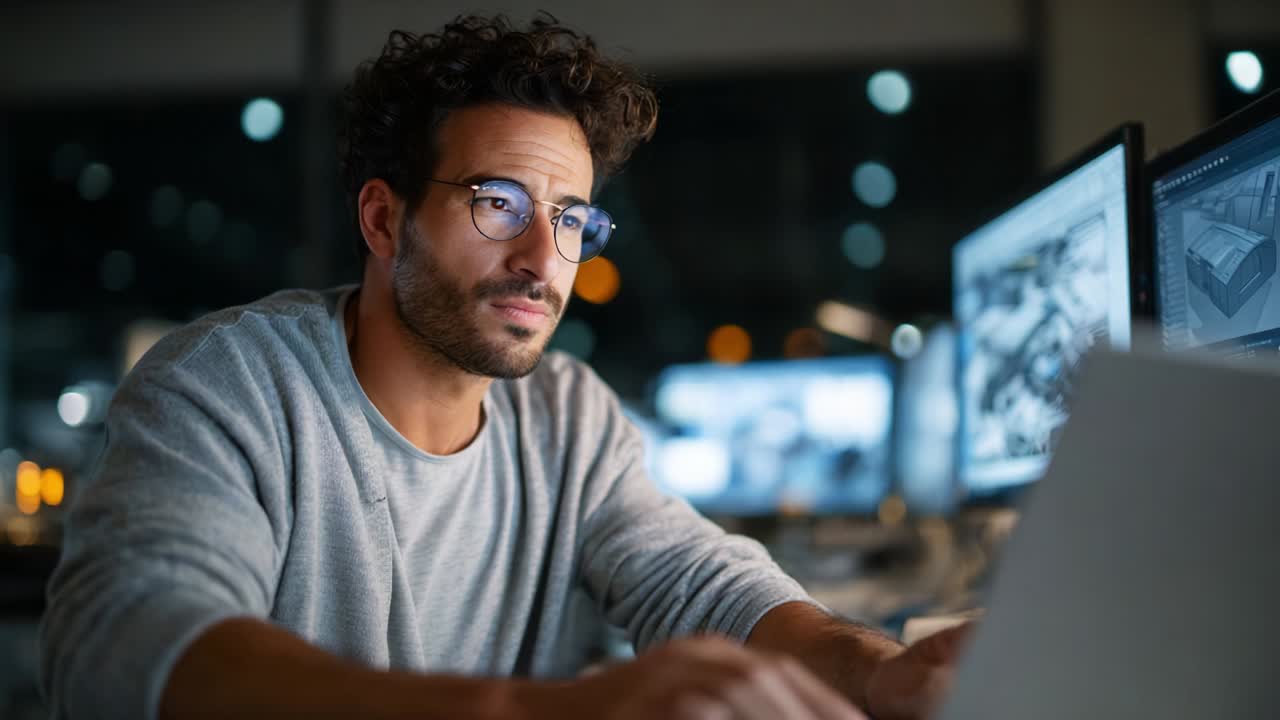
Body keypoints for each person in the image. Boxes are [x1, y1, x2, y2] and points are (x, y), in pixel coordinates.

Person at [41, 14, 966, 720]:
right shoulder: (227, 384)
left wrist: (880, 671)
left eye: (570, 220)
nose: (541, 260)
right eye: (498, 203)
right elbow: (132, 643)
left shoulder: (568, 415)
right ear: (384, 220)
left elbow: (700, 583)